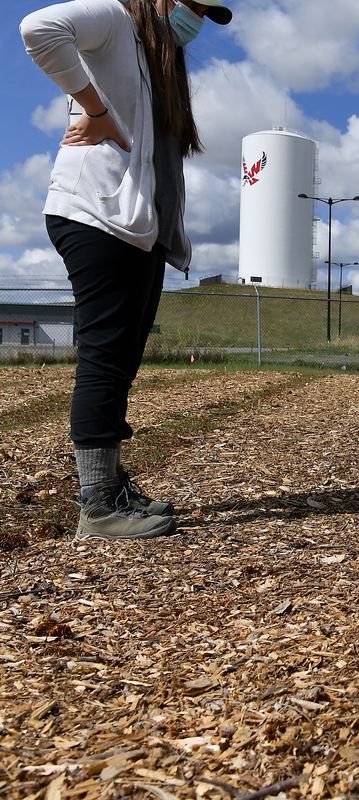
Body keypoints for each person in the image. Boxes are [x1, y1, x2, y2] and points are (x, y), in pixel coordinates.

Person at [21, 0, 233, 540]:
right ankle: (97, 505)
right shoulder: (116, 19)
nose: (195, 21)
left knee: (123, 357)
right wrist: (95, 112)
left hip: (138, 229)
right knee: (107, 354)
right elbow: (40, 29)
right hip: (97, 217)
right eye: (190, 7)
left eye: (205, 14)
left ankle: (109, 483)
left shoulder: (156, 59)